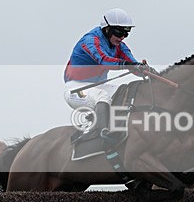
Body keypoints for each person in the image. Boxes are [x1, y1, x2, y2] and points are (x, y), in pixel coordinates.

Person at [63, 8, 153, 143]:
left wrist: (146, 71)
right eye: (119, 32)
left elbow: (133, 64)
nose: (122, 37)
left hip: (99, 86)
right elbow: (104, 61)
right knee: (102, 96)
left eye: (126, 33)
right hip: (76, 88)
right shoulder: (90, 40)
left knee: (124, 92)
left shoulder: (120, 46)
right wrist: (131, 65)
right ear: (107, 29)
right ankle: (99, 132)